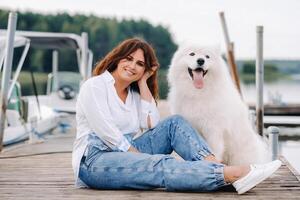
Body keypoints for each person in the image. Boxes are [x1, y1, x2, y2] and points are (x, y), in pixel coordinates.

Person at [72, 38, 282, 194]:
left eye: (140, 64)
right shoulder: (95, 86)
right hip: (94, 161)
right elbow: (104, 130)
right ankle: (230, 174)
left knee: (175, 123)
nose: (132, 66)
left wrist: (144, 82)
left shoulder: (133, 93)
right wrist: (139, 156)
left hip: (127, 150)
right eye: (128, 59)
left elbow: (152, 123)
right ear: (117, 59)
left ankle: (214, 165)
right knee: (159, 163)